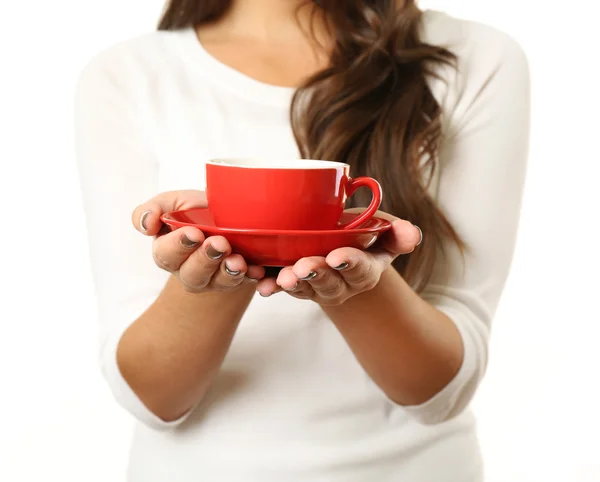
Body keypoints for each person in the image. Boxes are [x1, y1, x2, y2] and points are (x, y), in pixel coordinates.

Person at [74, 0, 530, 480]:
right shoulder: (128, 73)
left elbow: (442, 391)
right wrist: (223, 254)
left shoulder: (475, 57)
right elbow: (150, 397)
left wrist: (353, 273)